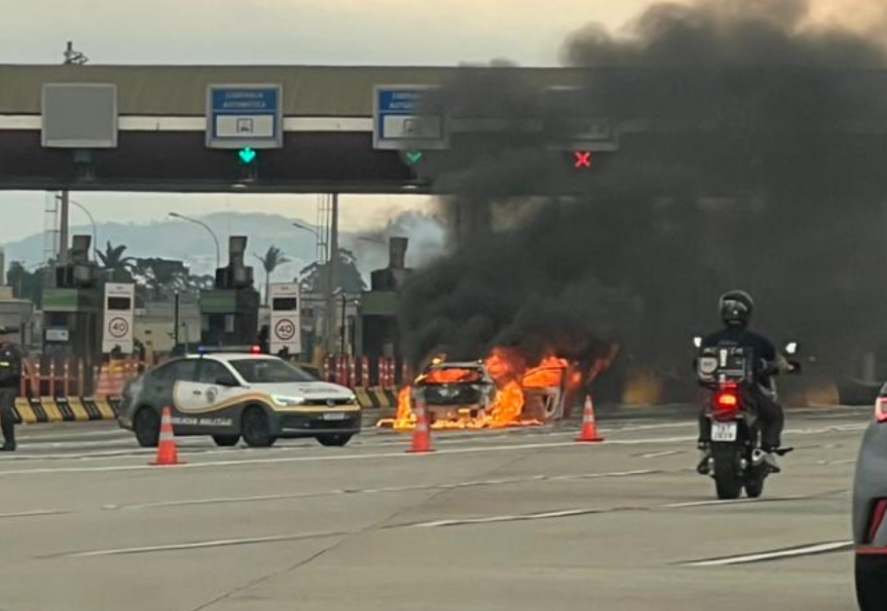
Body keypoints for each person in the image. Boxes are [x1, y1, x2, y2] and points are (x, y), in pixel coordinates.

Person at [696, 290, 793, 473]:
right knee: (774, 415)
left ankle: (705, 446)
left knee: (705, 413)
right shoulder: (758, 341)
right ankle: (767, 450)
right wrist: (785, 367)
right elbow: (777, 361)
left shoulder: (711, 340)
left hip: (719, 390)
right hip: (748, 391)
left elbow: (699, 363)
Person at [0, 327, 23, 451]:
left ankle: (10, 442)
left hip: (9, 386)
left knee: (5, 411)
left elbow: (24, 365)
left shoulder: (14, 350)